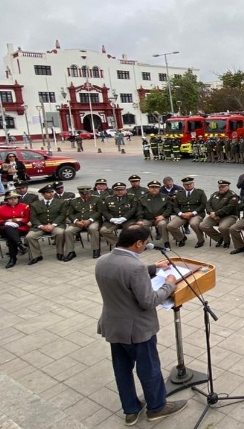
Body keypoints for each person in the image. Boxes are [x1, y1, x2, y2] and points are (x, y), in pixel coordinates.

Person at [94, 225, 188, 424]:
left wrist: (153, 268)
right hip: (137, 330)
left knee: (122, 370)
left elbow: (123, 273)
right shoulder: (134, 267)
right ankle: (157, 408)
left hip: (113, 326)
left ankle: (131, 410)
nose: (146, 246)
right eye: (145, 243)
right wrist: (169, 283)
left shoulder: (102, 260)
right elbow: (149, 301)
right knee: (149, 369)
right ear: (138, 243)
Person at [23, 184, 67, 264]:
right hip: (40, 226)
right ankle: (37, 255)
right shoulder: (35, 204)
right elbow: (33, 218)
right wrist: (41, 226)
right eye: (48, 192)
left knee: (60, 233)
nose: (51, 194)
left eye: (52, 192)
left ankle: (60, 253)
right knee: (30, 237)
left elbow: (62, 215)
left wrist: (53, 225)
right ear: (43, 194)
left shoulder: (60, 202)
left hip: (56, 225)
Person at [63, 185, 103, 261]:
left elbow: (99, 211)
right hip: (79, 222)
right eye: (83, 194)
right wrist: (76, 221)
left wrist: (90, 220)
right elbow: (70, 213)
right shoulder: (74, 201)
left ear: (90, 192)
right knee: (68, 231)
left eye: (87, 194)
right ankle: (70, 252)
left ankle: (96, 250)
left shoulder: (97, 199)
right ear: (80, 193)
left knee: (93, 229)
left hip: (92, 221)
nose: (85, 196)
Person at [100, 182, 141, 254]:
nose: (119, 192)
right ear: (114, 191)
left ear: (125, 190)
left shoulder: (131, 198)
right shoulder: (108, 199)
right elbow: (104, 211)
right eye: (117, 190)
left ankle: (132, 245)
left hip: (127, 219)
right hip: (113, 220)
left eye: (122, 190)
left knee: (131, 229)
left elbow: (133, 209)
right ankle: (119, 244)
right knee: (103, 231)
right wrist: (111, 219)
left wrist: (124, 218)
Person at [167, 177, 207, 248]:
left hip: (196, 214)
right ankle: (181, 238)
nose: (188, 185)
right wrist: (181, 214)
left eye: (190, 184)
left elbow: (203, 205)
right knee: (170, 226)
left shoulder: (200, 192)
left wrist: (193, 213)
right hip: (183, 214)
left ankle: (201, 240)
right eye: (186, 184)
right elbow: (175, 206)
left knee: (194, 224)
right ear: (183, 185)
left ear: (193, 184)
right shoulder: (179, 193)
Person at [0, 191, 31, 268]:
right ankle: (20, 244)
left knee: (11, 238)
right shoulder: (1, 208)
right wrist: (5, 222)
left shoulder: (24, 206)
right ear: (6, 200)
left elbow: (27, 218)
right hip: (4, 228)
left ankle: (13, 258)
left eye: (15, 198)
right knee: (9, 229)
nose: (13, 200)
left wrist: (19, 223)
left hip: (20, 228)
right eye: (10, 199)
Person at [200, 180, 240, 249]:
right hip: (214, 215)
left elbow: (228, 208)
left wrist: (216, 214)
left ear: (228, 187)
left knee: (223, 227)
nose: (221, 188)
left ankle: (227, 241)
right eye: (220, 187)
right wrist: (211, 212)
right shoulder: (215, 194)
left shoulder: (233, 196)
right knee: (203, 225)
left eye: (223, 187)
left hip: (229, 216)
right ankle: (220, 238)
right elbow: (208, 204)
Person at [134, 181, 172, 250]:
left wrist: (163, 216)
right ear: (148, 188)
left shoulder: (165, 197)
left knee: (162, 224)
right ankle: (146, 243)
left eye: (156, 187)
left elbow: (169, 209)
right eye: (152, 187)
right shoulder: (143, 198)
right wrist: (140, 220)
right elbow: (139, 211)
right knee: (140, 226)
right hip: (148, 219)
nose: (154, 189)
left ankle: (166, 242)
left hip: (161, 218)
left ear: (159, 188)